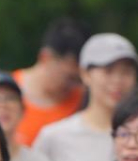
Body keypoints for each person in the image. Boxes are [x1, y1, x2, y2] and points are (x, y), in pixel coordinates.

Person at [34, 32, 138, 161]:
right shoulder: (54, 136)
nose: (118, 81)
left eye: (126, 72)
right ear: (85, 74)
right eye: (108, 71)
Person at [12, 18, 88, 147]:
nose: (74, 87)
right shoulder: (5, 92)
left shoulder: (84, 101)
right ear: (45, 57)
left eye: (79, 81)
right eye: (69, 78)